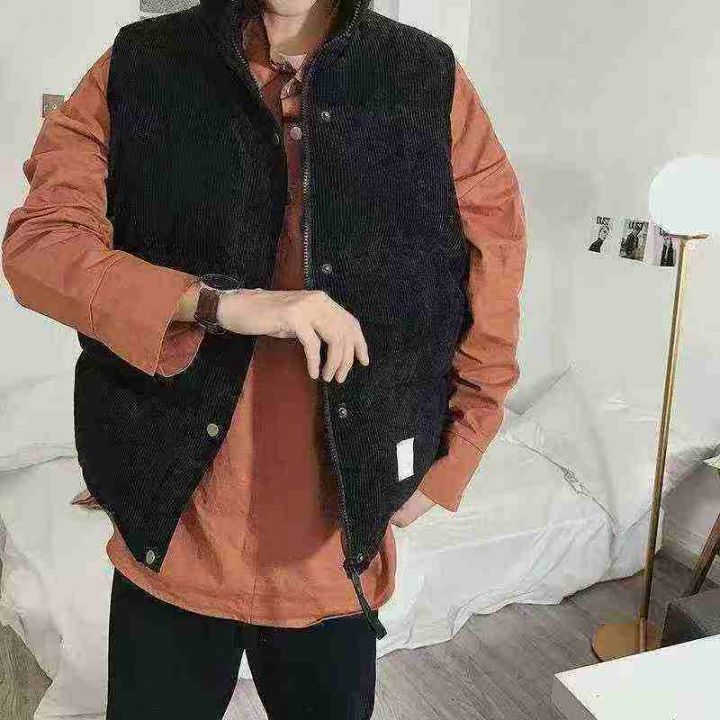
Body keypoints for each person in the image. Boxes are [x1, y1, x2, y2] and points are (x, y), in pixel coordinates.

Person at [1, 0, 527, 717]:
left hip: (334, 545)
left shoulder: (425, 76)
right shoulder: (141, 62)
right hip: (174, 534)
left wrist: (455, 457)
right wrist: (218, 304)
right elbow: (41, 248)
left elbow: (494, 260)